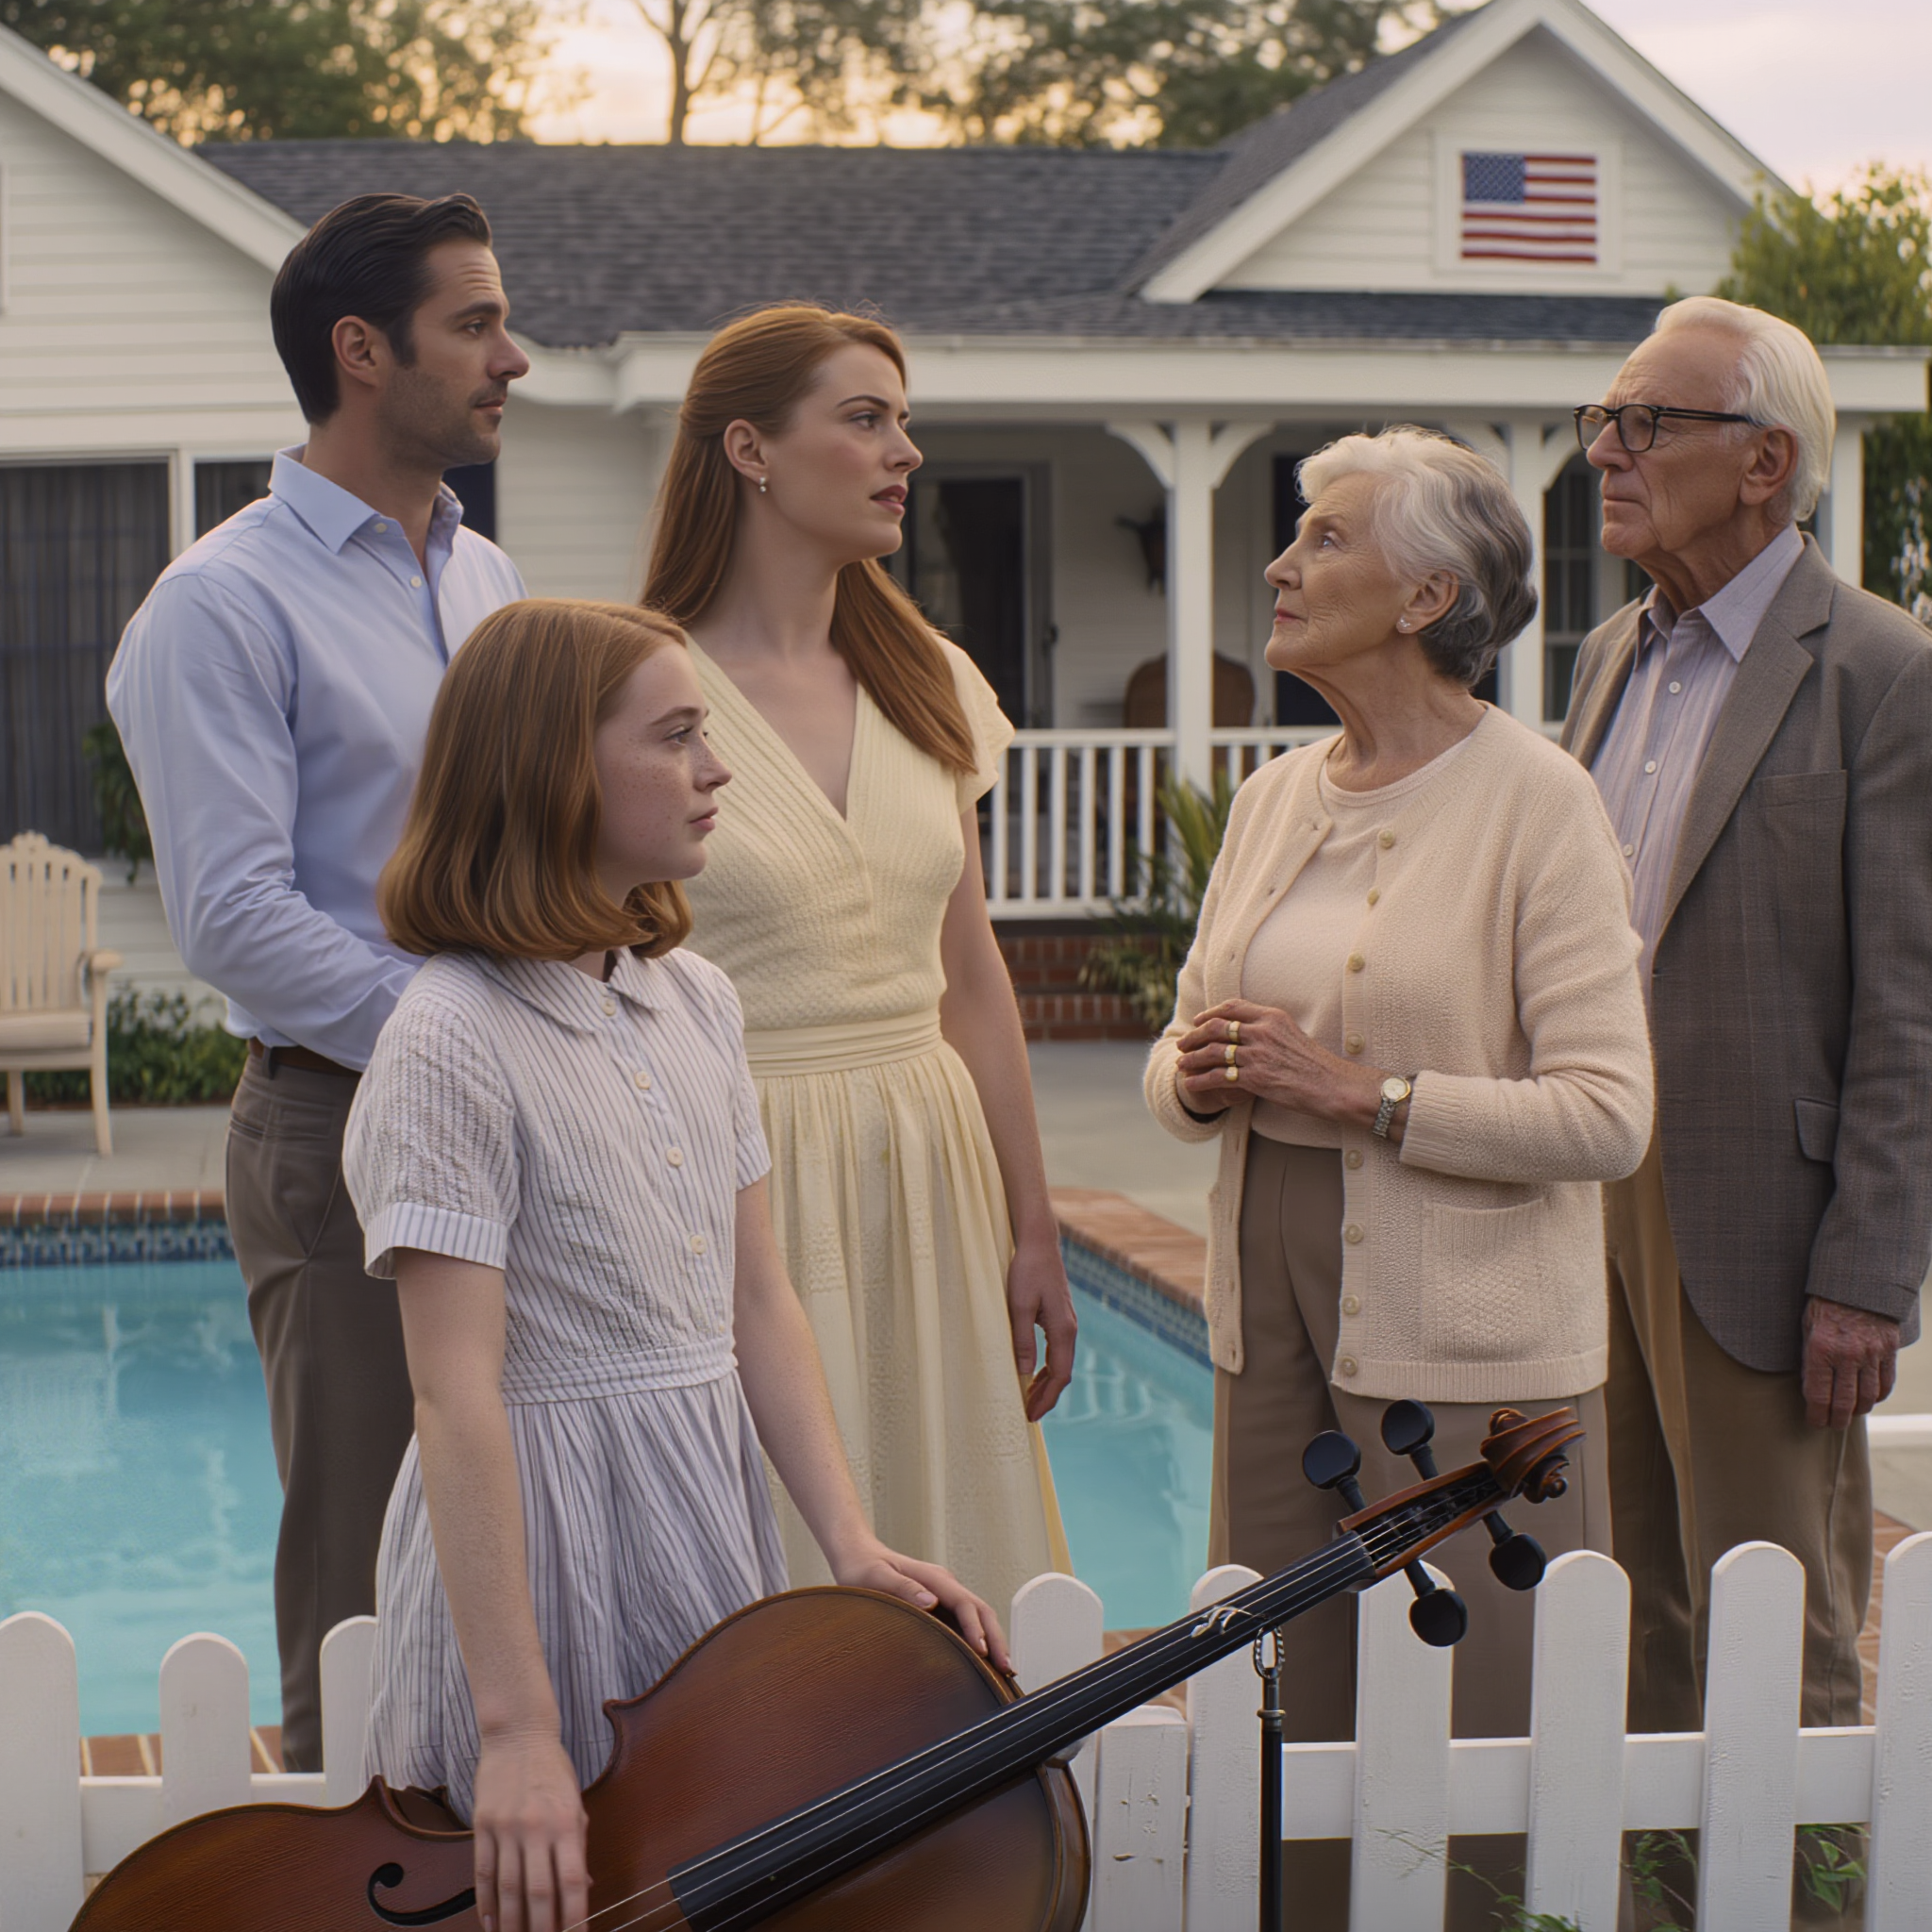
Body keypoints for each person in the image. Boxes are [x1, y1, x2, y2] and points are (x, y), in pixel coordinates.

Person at [343, 598, 1004, 1932]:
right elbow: (455, 1397)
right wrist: (519, 1725)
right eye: (678, 736)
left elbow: (759, 1303)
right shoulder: (451, 1036)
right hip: (532, 1562)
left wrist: (850, 1544)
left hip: (702, 1533)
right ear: (553, 768)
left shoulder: (696, 999)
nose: (719, 770)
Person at [1145, 426, 1653, 1929]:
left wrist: (1362, 1093)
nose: (1283, 563)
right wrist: (1205, 1072)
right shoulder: (1267, 801)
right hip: (1272, 1308)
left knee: (1482, 1719)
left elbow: (1608, 1114)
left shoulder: (1539, 802)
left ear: (1430, 595)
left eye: (1324, 536)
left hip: (1472, 1338)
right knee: (1291, 1704)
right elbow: (1183, 1047)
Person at [105, 192, 529, 1770]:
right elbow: (232, 917)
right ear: (363, 352)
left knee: (520, 1532)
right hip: (340, 1134)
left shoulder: (486, 580)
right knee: (369, 1567)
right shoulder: (220, 605)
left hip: (511, 1118)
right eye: (476, 323)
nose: (515, 357)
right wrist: (467, 1047)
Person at [640, 305, 1074, 1618]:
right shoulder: (636, 686)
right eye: (865, 417)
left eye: (906, 419)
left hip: (929, 1161)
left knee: (956, 1518)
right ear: (751, 450)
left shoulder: (930, 678)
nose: (908, 452)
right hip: (735, 1172)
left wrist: (1035, 1224)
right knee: (768, 1564)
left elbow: (973, 978)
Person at [1564, 296, 1932, 1742]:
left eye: (1647, 423)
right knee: (1631, 1601)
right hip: (1596, 1197)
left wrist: (1868, 1270)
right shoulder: (1610, 656)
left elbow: (1913, 1005)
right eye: (1610, 418)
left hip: (1766, 1238)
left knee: (1778, 1624)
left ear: (1765, 461)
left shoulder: (1883, 673)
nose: (1608, 450)